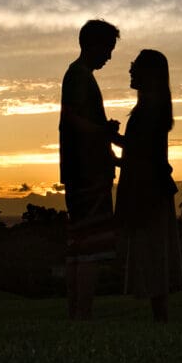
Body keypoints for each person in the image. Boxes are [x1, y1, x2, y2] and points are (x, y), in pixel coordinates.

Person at [59, 17, 123, 319]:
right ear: (93, 45)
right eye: (108, 49)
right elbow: (73, 120)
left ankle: (77, 315)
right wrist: (102, 133)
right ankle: (82, 314)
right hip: (87, 173)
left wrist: (106, 142)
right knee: (90, 248)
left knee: (80, 245)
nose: (109, 56)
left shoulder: (80, 76)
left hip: (84, 169)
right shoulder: (78, 76)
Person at [117, 48, 182, 321]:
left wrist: (109, 140)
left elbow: (139, 153)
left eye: (135, 66)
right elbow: (139, 152)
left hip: (149, 192)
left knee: (153, 255)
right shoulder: (151, 108)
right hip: (152, 190)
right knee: (153, 254)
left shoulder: (150, 109)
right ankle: (161, 321)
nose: (131, 70)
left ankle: (162, 321)